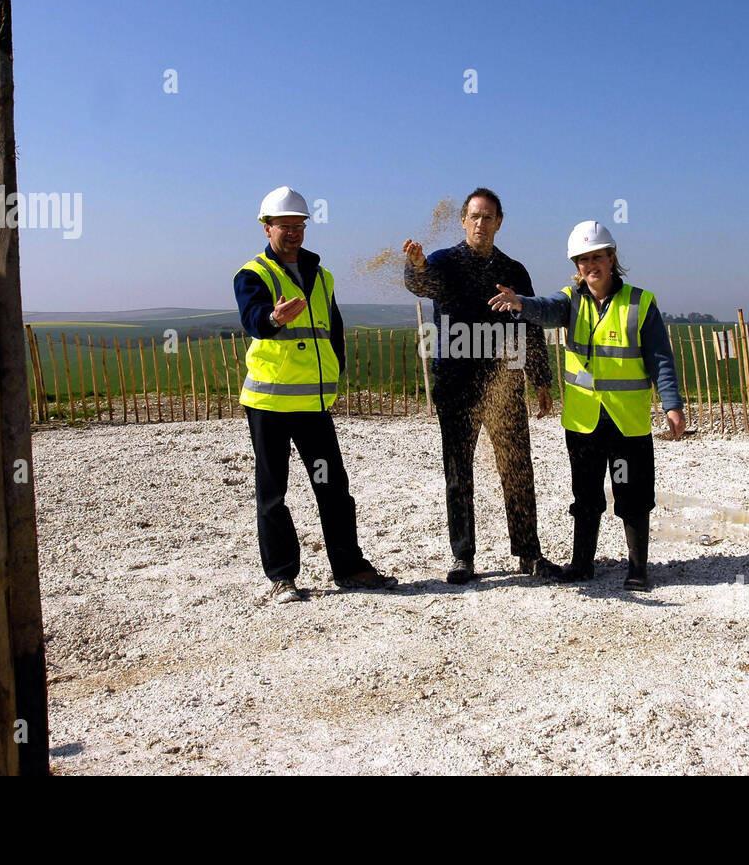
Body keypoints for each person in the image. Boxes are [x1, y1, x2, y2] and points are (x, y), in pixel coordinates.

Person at [488, 220, 685, 591]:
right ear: (576, 265)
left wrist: (672, 404)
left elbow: (660, 357)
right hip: (583, 422)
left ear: (612, 259)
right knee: (587, 493)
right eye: (582, 259)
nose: (590, 265)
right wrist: (520, 304)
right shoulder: (570, 299)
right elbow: (545, 309)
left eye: (597, 256)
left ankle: (637, 568)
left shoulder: (641, 303)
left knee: (632, 492)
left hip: (626, 423)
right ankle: (582, 565)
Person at [235, 186, 398, 604]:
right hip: (270, 406)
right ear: (266, 227)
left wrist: (336, 372)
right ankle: (282, 576)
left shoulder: (322, 277)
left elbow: (334, 331)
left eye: (299, 225)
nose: (293, 232)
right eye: (285, 225)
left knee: (331, 485)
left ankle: (349, 567)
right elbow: (253, 319)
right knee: (274, 492)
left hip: (312, 407)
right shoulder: (252, 274)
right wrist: (271, 318)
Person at [402, 188, 561, 584]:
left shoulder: (514, 271)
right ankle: (463, 557)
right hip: (456, 386)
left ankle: (528, 553)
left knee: (517, 467)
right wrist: (416, 266)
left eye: (488, 217)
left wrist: (541, 379)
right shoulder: (444, 263)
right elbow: (421, 284)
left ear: (499, 222)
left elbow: (530, 326)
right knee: (458, 471)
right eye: (474, 216)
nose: (480, 223)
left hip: (505, 386)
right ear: (462, 220)